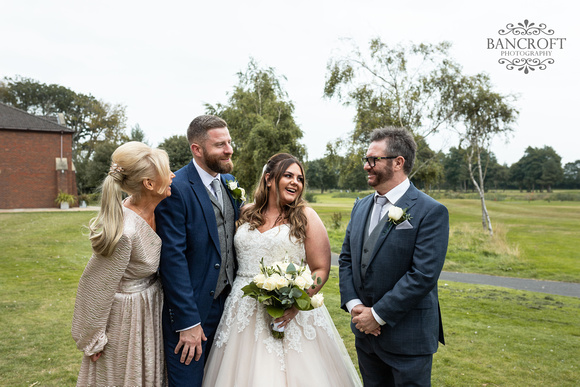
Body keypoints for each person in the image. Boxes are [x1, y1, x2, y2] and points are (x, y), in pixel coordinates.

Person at [202, 153, 362, 387]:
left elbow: (320, 268)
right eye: (288, 175)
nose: (296, 182)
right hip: (243, 309)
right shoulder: (245, 212)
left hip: (291, 312)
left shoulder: (306, 216)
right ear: (268, 179)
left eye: (300, 178)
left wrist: (297, 302)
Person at [339, 126, 449, 387]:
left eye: (373, 159)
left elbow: (422, 275)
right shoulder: (360, 206)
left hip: (408, 339)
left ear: (398, 162)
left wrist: (376, 315)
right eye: (366, 159)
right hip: (366, 338)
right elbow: (346, 259)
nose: (367, 166)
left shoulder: (430, 211)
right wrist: (355, 306)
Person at [71, 141, 174, 386]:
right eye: (167, 171)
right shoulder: (125, 231)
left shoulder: (160, 210)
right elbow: (96, 285)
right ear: (149, 184)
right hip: (128, 320)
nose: (172, 176)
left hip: (150, 308)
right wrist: (92, 339)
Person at [154, 115, 242, 387]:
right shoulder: (175, 188)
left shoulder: (229, 182)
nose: (229, 149)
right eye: (220, 145)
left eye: (229, 142)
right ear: (197, 149)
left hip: (231, 307)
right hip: (193, 313)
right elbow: (172, 259)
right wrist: (187, 322)